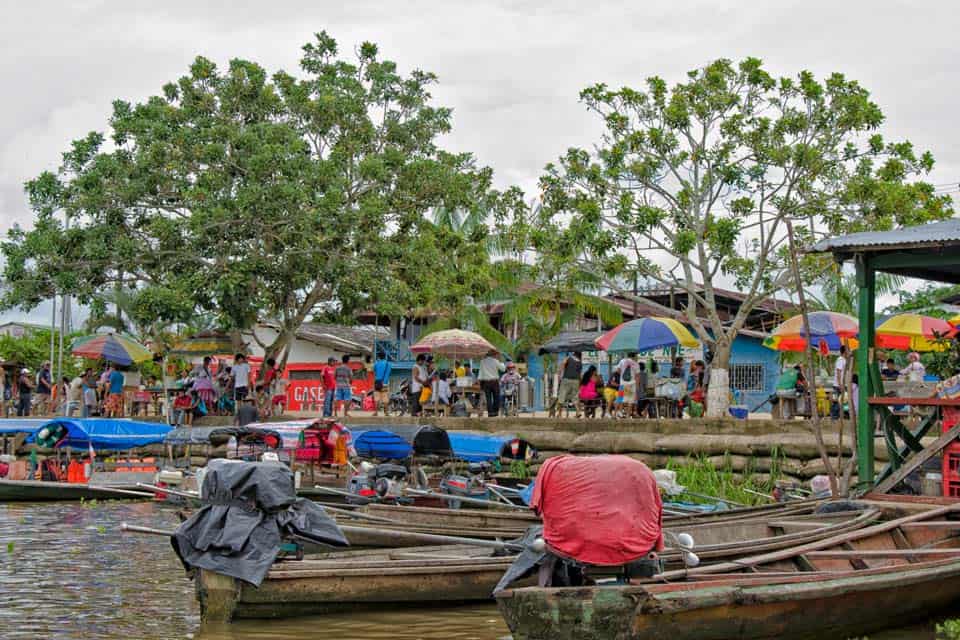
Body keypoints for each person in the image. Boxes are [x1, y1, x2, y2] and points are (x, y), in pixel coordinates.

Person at [478, 350, 505, 417]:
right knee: (496, 397)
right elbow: (503, 369)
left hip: (486, 382)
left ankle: (490, 413)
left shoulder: (482, 361)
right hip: (494, 381)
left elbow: (480, 373)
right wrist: (500, 361)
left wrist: (480, 383)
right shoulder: (495, 361)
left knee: (488, 398)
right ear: (494, 355)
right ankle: (495, 412)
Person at [557, 351, 582, 417]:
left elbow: (563, 364)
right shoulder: (580, 362)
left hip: (566, 379)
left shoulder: (569, 358)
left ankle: (559, 414)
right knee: (575, 397)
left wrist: (559, 374)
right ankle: (578, 412)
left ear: (574, 354)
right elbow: (580, 374)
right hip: (576, 381)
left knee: (561, 396)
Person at [618, 352, 639, 418]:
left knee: (621, 398)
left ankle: (620, 412)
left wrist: (622, 376)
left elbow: (618, 370)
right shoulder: (636, 364)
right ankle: (628, 415)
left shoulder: (622, 361)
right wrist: (637, 387)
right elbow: (637, 376)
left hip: (623, 383)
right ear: (634, 356)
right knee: (630, 400)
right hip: (632, 384)